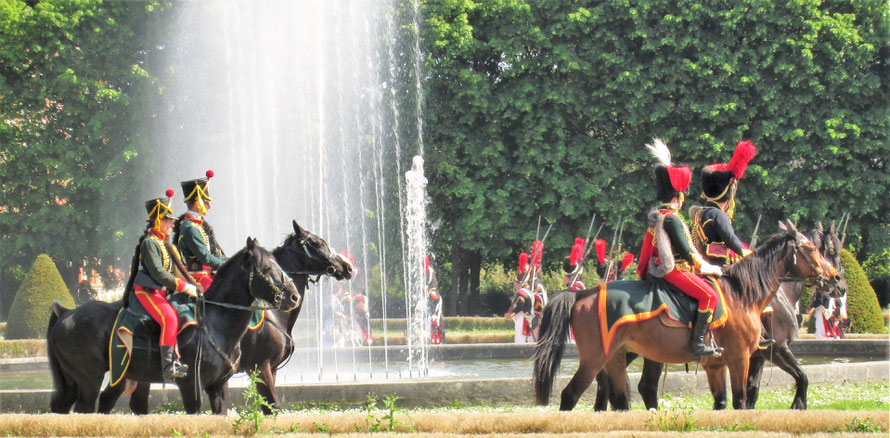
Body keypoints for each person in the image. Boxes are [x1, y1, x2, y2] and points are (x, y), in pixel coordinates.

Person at [636, 139, 725, 358]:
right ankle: (697, 344)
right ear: (679, 196)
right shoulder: (671, 219)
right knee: (710, 297)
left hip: (663, 271)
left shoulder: (659, 218)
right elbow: (688, 253)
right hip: (676, 271)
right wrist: (709, 267)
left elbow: (646, 256)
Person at [690, 140, 773, 349]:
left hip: (711, 260)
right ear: (725, 192)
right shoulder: (718, 215)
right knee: (757, 294)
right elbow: (731, 240)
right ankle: (756, 334)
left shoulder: (702, 211)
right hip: (721, 265)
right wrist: (747, 254)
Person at [127, 189, 199, 381]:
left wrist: (195, 285)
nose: (172, 223)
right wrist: (183, 287)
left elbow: (178, 271)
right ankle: (167, 367)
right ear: (158, 220)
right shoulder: (149, 243)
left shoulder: (168, 245)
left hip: (161, 293)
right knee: (170, 318)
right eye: (168, 220)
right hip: (147, 291)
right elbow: (158, 273)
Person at [176, 170, 226, 291]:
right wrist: (226, 266)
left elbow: (218, 251)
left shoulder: (201, 225)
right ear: (198, 202)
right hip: (196, 275)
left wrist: (229, 261)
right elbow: (205, 257)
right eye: (206, 202)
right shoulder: (189, 228)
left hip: (208, 273)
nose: (209, 206)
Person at [425, 256, 444, 344]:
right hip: (434, 293)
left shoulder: (428, 270)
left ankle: (435, 337)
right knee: (435, 315)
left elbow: (428, 283)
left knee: (434, 316)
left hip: (432, 293)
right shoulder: (430, 269)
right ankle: (436, 337)